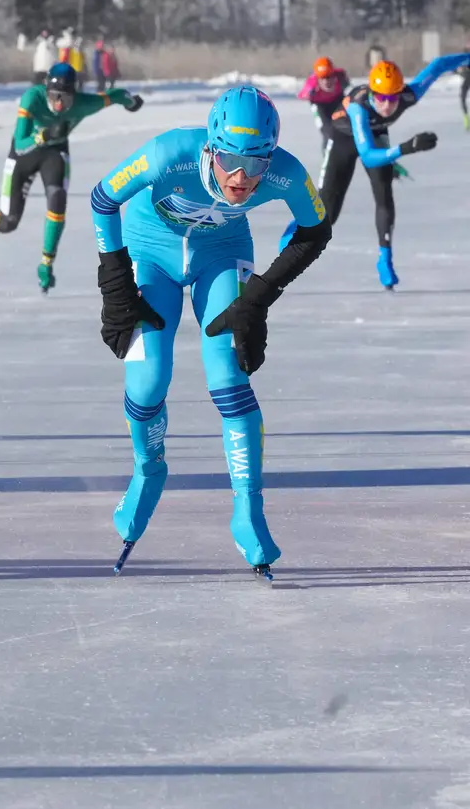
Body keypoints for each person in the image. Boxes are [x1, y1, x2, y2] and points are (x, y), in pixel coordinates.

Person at [93, 86, 329, 580]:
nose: (242, 178)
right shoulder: (169, 153)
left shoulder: (286, 171)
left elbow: (315, 229)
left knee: (228, 375)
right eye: (228, 160)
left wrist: (260, 294)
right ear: (209, 148)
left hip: (220, 256)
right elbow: (102, 199)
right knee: (148, 380)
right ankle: (148, 470)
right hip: (148, 253)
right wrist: (115, 283)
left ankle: (248, 510)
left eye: (256, 164)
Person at [280, 53, 470, 289]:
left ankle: (385, 259)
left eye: (393, 97)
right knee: (329, 213)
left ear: (401, 92)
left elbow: (439, 65)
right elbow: (369, 156)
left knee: (384, 196)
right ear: (371, 93)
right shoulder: (359, 108)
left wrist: (467, 58)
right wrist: (405, 148)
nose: (388, 104)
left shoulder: (409, 94)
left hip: (377, 133)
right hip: (343, 138)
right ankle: (292, 232)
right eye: (381, 97)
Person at [0, 62, 143, 291]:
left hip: (55, 153)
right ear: (45, 90)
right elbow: (19, 143)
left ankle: (46, 264)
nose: (59, 104)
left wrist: (131, 102)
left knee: (57, 202)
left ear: (74, 96)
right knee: (9, 221)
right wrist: (43, 135)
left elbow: (113, 96)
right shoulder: (32, 98)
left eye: (65, 98)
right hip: (25, 153)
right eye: (54, 96)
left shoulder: (83, 104)